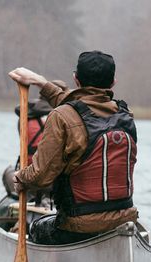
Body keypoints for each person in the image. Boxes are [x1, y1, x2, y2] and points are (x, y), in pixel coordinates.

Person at [9, 50, 138, 245]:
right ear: (113, 83)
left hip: (78, 225)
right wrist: (41, 82)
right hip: (125, 218)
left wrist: (19, 177)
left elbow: (41, 176)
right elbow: (82, 105)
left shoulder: (60, 116)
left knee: (36, 228)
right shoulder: (125, 114)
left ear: (75, 79)